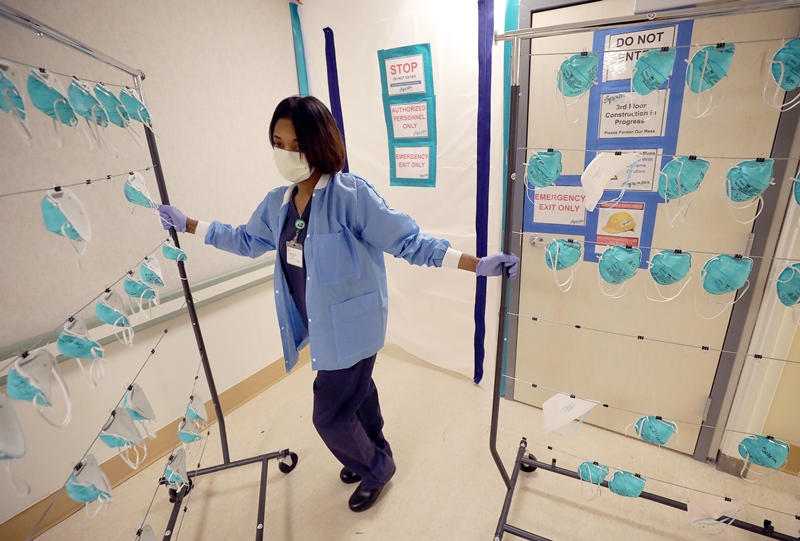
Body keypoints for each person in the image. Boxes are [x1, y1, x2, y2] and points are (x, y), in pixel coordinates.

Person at [158, 95, 518, 513]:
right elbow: (244, 239)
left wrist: (475, 265)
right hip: (320, 324)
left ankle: (377, 469)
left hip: (353, 326)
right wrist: (188, 224)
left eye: (297, 145)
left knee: (328, 416)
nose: (287, 154)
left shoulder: (351, 195)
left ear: (320, 144)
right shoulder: (278, 202)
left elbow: (408, 242)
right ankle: (371, 448)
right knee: (359, 393)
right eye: (279, 143)